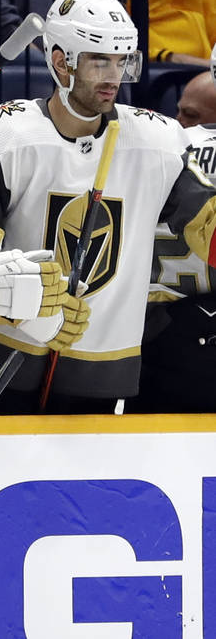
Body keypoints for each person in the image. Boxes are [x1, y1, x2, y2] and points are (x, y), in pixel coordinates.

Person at [0, 0, 216, 415]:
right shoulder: (2, 135)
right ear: (60, 60)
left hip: (102, 373)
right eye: (99, 61)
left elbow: (203, 223)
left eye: (122, 61)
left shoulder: (158, 142)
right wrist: (27, 311)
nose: (114, 77)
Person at [129, 44, 216, 411]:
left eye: (189, 114)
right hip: (182, 339)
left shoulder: (161, 147)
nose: (178, 120)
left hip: (159, 331)